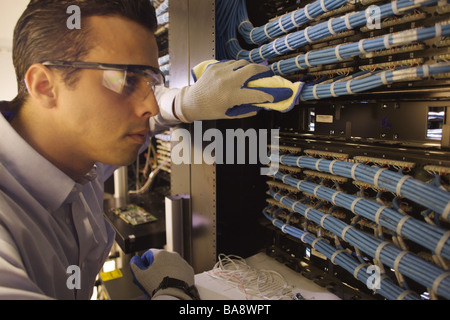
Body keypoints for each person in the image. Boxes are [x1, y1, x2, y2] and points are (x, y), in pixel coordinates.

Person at [0, 0, 302, 300]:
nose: (150, 105)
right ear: (44, 85)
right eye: (127, 79)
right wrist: (172, 291)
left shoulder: (76, 159)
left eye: (150, 80)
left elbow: (156, 110)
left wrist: (187, 102)